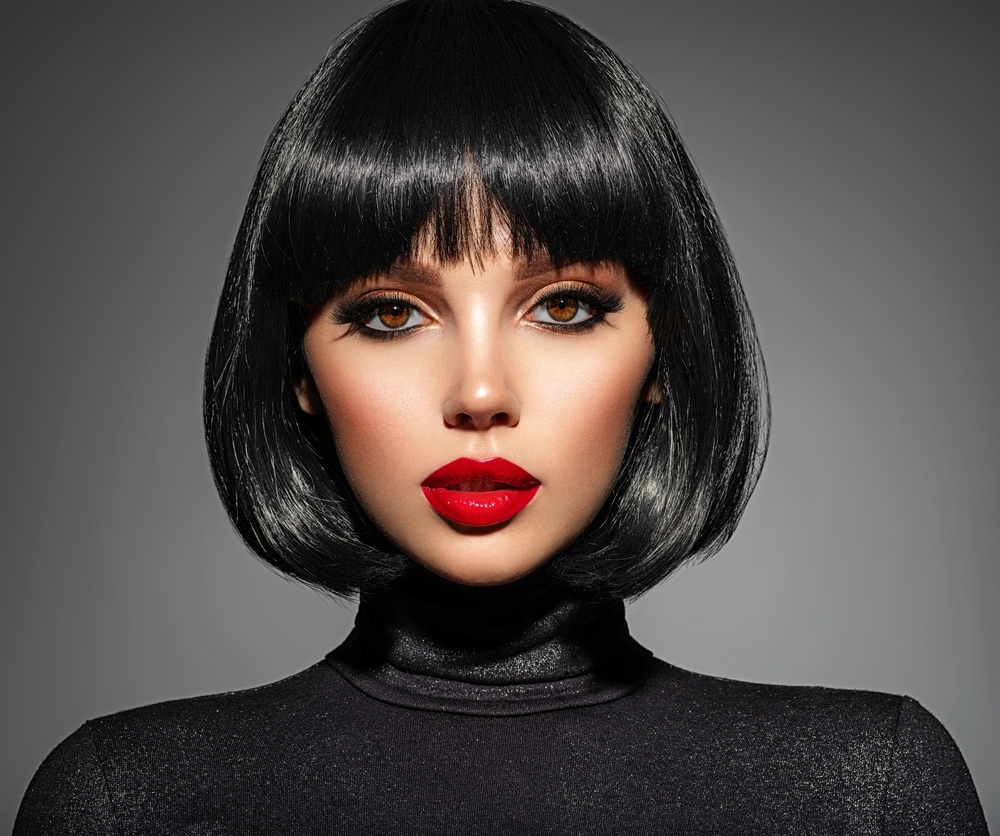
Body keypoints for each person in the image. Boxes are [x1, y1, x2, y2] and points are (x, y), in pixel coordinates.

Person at [14, 0, 987, 832]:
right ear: (298, 369)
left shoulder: (867, 791)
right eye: (392, 313)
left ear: (662, 352)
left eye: (563, 306)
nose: (480, 392)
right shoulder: (123, 800)